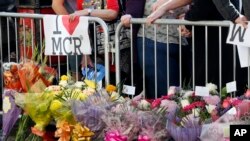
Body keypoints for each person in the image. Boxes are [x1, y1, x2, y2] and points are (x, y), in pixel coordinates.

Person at [147, 0, 248, 95]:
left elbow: (203, 4)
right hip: (229, 34)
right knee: (229, 87)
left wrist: (187, 21)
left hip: (215, 40)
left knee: (212, 90)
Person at [121, 0, 191, 98]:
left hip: (182, 45)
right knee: (165, 96)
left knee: (182, 95)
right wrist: (129, 17)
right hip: (153, 43)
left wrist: (186, 17)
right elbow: (132, 13)